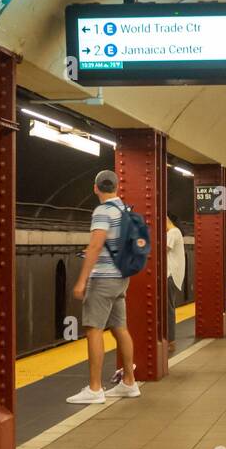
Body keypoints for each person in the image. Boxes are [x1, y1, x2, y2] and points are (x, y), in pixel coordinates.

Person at [67, 169, 138, 403]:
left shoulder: (102, 211)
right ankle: (129, 382)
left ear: (95, 188)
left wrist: (82, 280)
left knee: (93, 329)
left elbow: (96, 246)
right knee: (120, 328)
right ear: (117, 187)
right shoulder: (124, 209)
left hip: (103, 278)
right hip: (120, 277)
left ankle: (95, 389)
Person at [166, 215, 186, 354]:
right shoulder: (175, 232)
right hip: (171, 276)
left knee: (168, 309)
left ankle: (170, 341)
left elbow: (163, 250)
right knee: (168, 308)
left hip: (170, 275)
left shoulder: (173, 232)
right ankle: (169, 340)